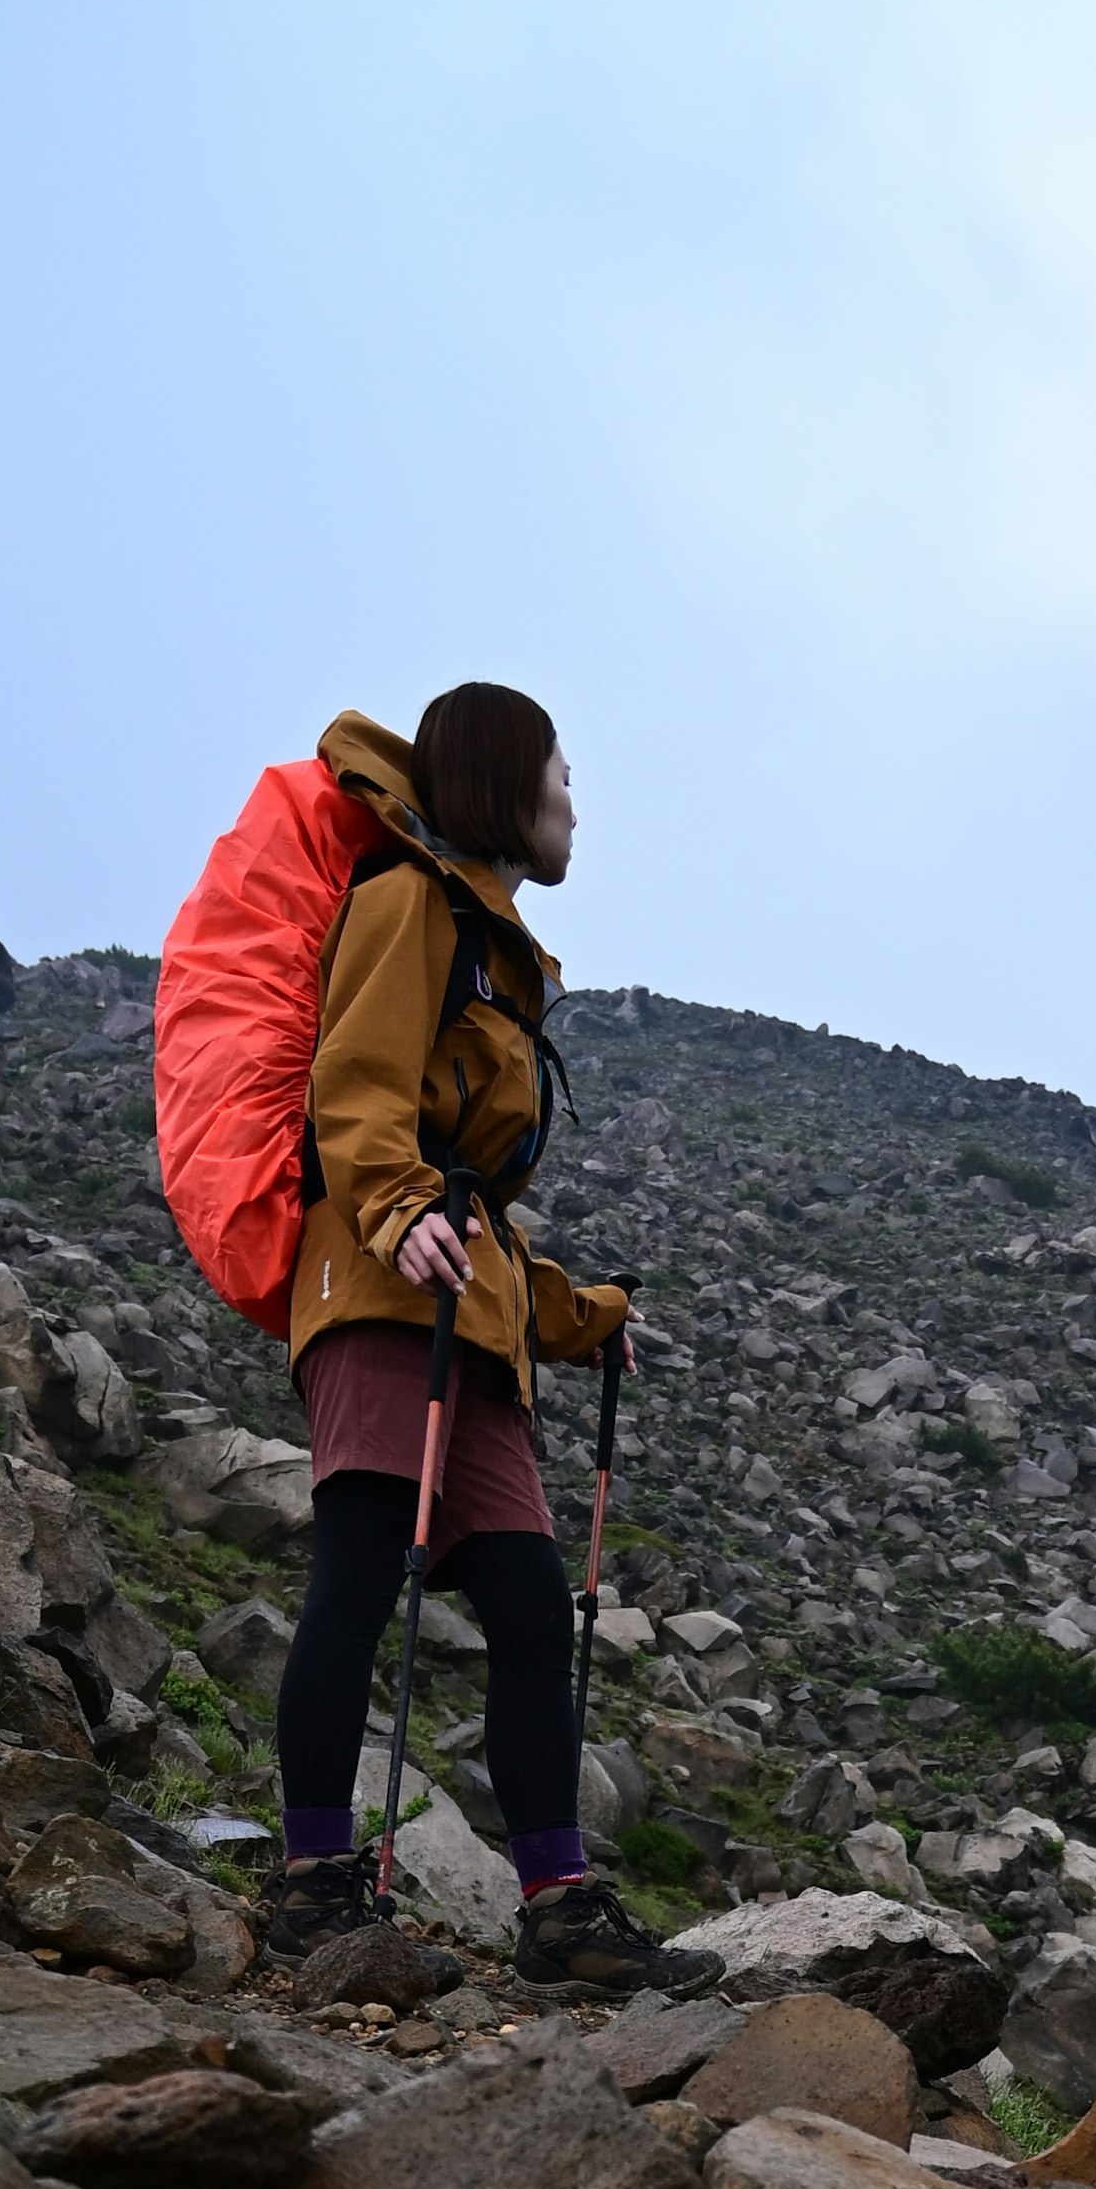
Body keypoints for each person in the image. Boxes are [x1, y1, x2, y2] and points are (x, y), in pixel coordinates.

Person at [264, 684, 666, 1990]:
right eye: (559, 771)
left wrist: (577, 1319)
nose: (570, 801)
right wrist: (387, 1208)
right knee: (362, 1571)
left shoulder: (498, 952)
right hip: (382, 1295)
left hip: (467, 1317)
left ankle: (558, 1907)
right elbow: (359, 1090)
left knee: (530, 1611)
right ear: (503, 780)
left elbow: (478, 1200)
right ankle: (317, 1884)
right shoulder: (410, 906)